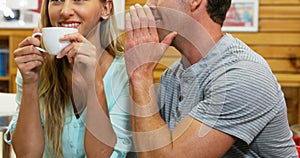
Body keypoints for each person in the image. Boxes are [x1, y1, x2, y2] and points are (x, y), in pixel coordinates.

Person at [124, 0, 298, 157]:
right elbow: (147, 150)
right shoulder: (173, 75)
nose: (148, 6)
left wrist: (140, 75)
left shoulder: (241, 74)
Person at [4, 0, 134, 157]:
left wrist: (95, 84)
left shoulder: (127, 74)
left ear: (105, 8)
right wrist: (30, 84)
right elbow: (27, 154)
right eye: (57, 0)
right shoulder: (36, 68)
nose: (65, 11)